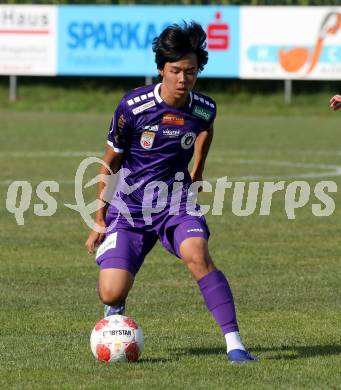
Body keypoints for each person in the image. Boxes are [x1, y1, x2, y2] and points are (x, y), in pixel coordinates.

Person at [85, 21, 256, 364]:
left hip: (175, 202)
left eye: (190, 71)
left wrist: (199, 169)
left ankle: (235, 344)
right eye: (175, 70)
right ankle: (115, 305)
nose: (183, 78)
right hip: (130, 208)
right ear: (161, 69)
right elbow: (109, 164)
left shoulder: (203, 107)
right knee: (111, 289)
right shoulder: (132, 108)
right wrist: (99, 217)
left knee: (198, 255)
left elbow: (206, 129)